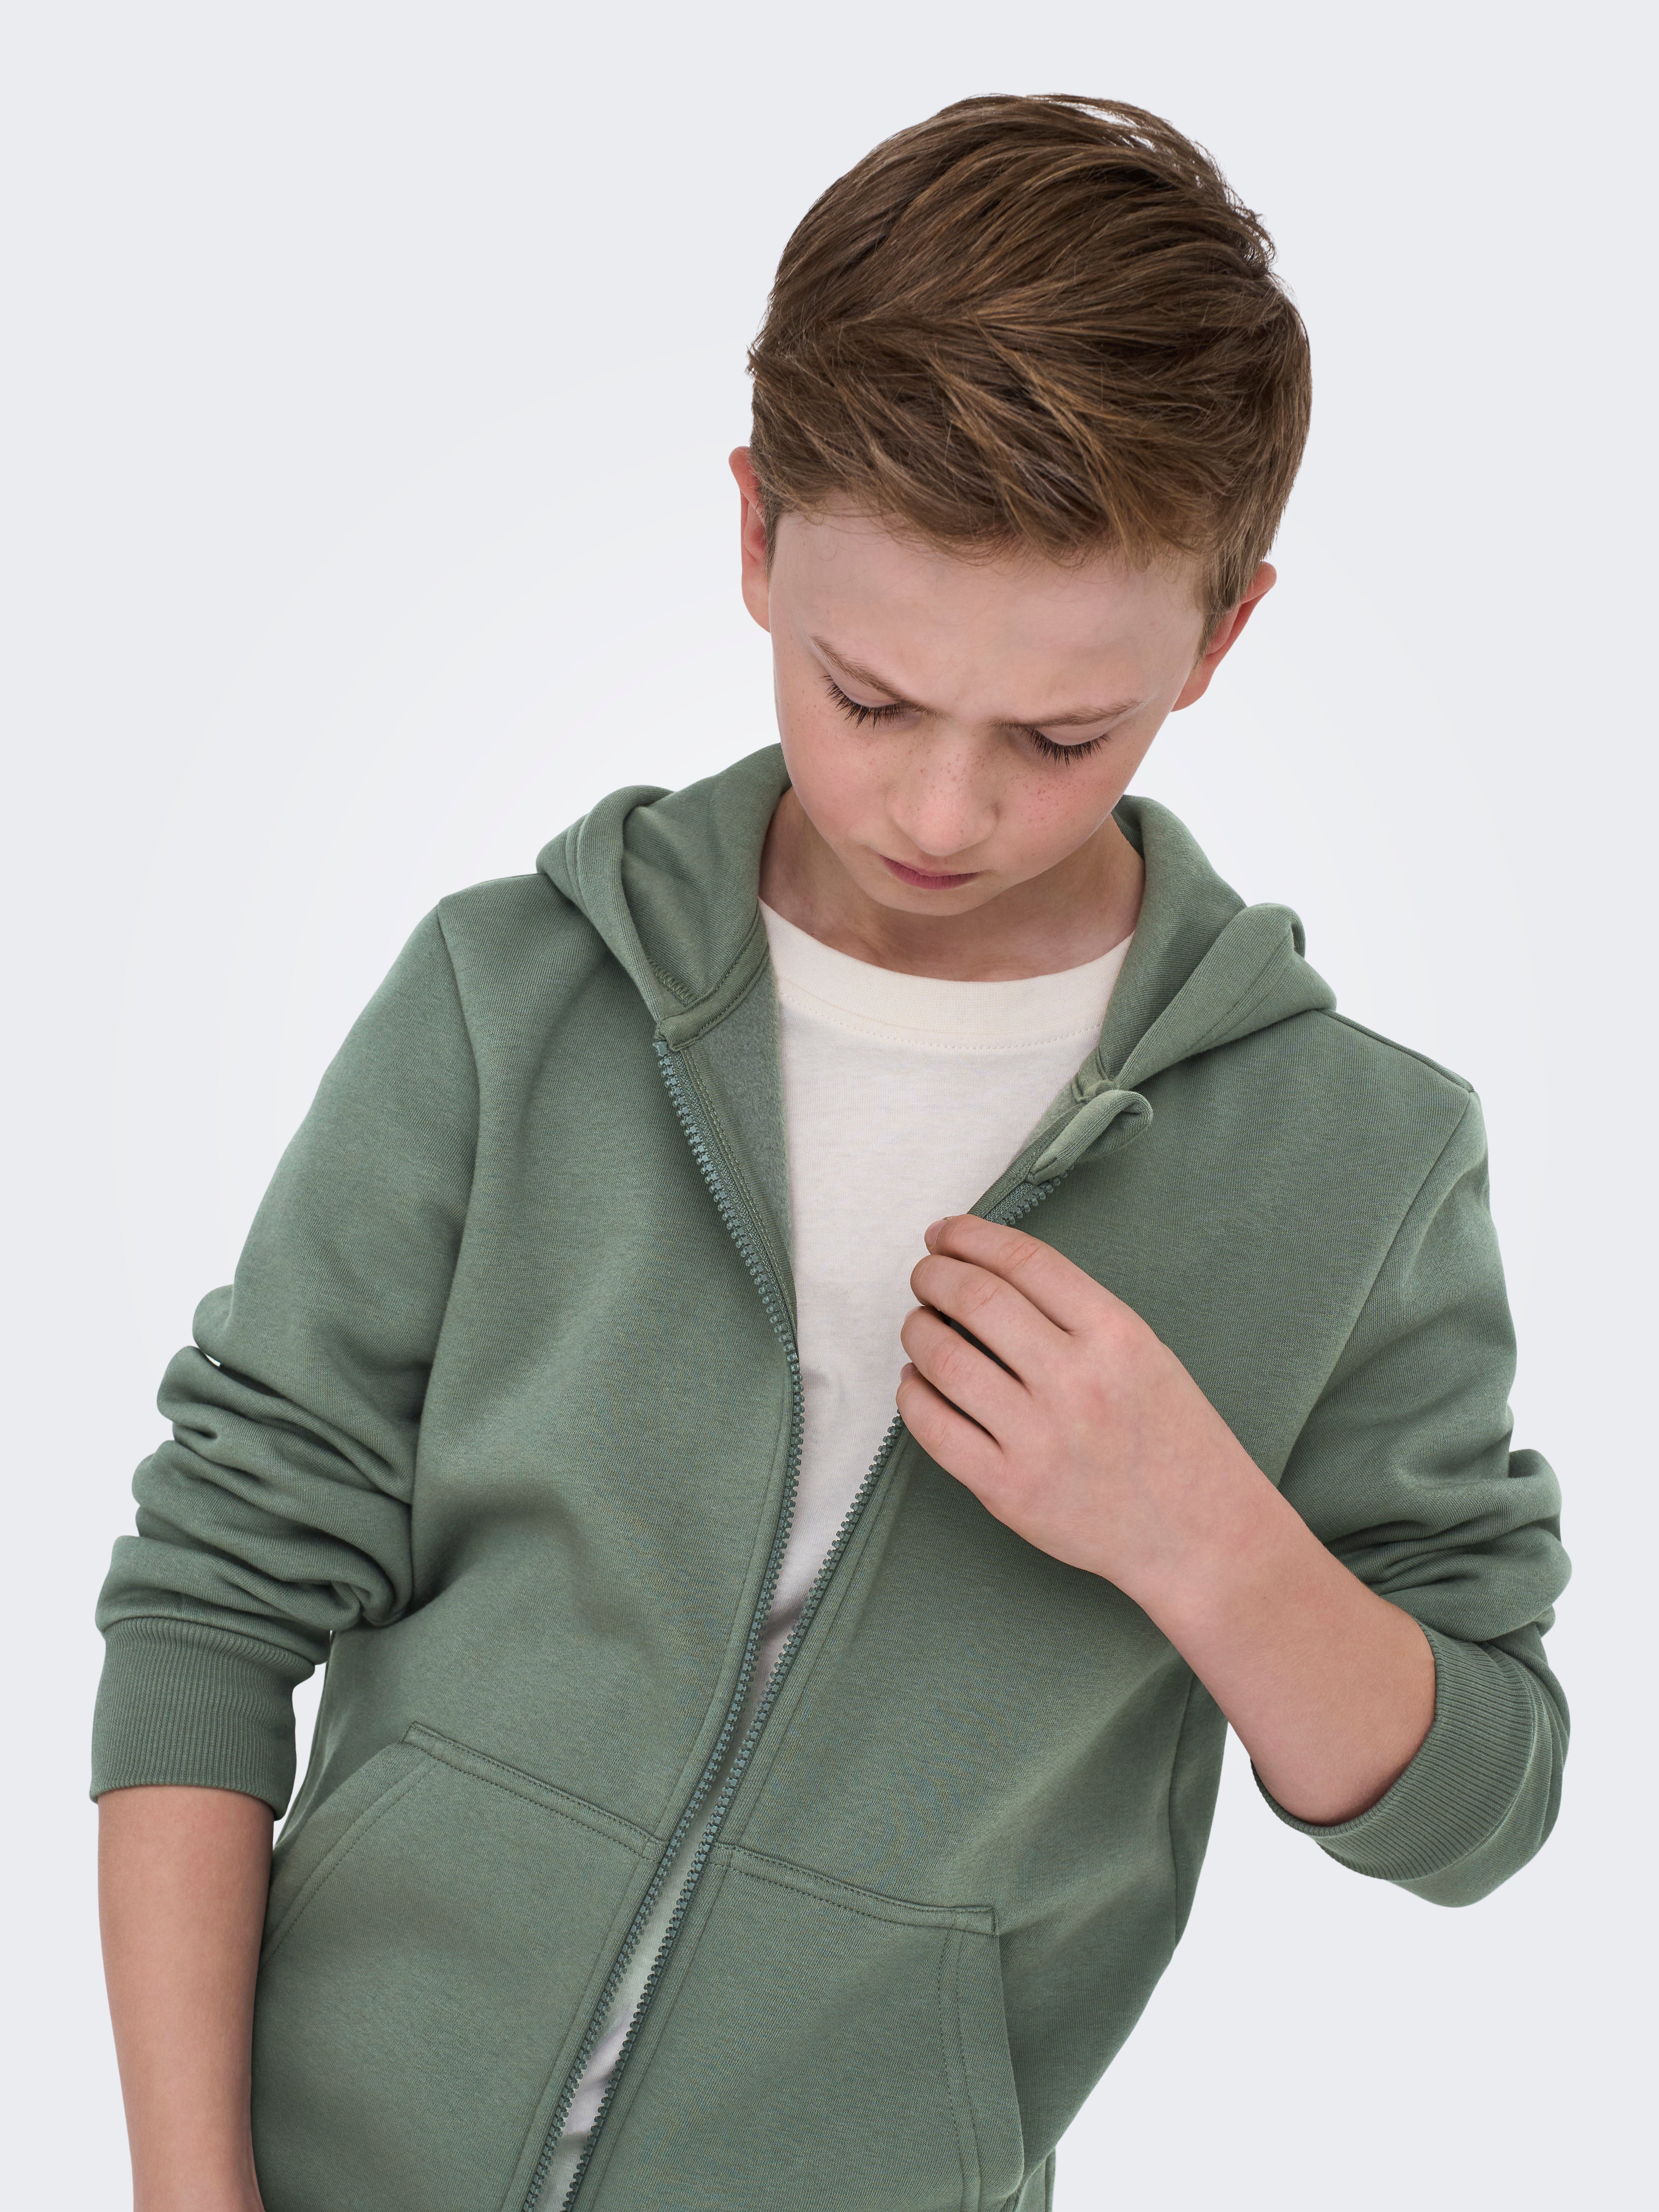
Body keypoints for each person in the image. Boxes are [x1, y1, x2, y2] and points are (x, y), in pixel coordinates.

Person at [92, 94, 1569, 2212]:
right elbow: (215, 1598)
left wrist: (1200, 1539)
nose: (944, 813)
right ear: (756, 538)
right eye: (865, 695)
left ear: (1221, 636)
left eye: (1061, 735)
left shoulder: (1354, 1159)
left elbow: (1480, 1807)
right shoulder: (515, 1003)